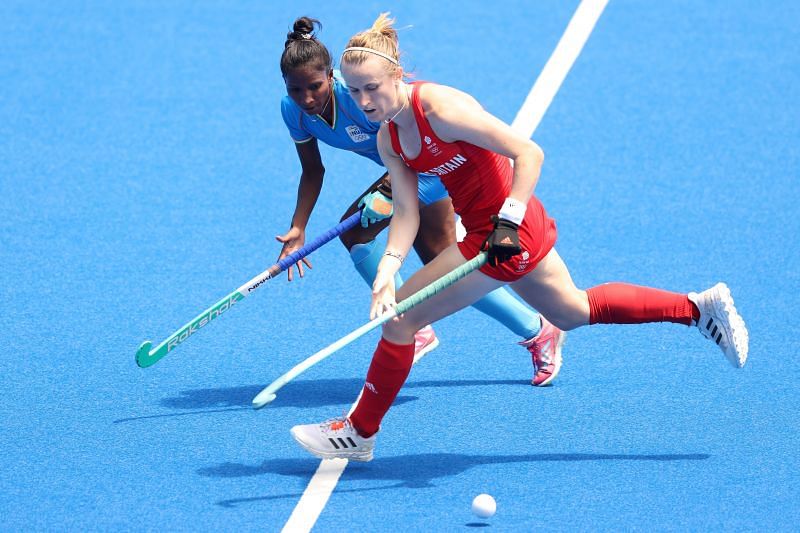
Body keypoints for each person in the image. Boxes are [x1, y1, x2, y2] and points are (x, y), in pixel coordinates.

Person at [289, 13, 750, 462]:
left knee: (400, 322)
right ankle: (695, 308)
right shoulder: (391, 137)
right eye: (354, 90)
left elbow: (528, 152)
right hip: (497, 232)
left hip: (505, 231)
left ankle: (359, 432)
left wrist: (508, 221)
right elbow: (407, 212)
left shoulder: (440, 109)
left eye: (372, 87)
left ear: (396, 75)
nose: (364, 100)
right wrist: (387, 271)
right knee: (572, 310)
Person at [278, 17, 564, 385]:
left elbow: (409, 128)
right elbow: (312, 170)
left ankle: (412, 326)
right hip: (404, 174)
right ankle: (538, 330)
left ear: (331, 76)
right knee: (442, 260)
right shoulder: (294, 111)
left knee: (357, 233)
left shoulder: (358, 96)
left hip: (432, 167)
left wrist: (386, 193)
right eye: (295, 90)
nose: (307, 99)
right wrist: (298, 227)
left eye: (315, 86)